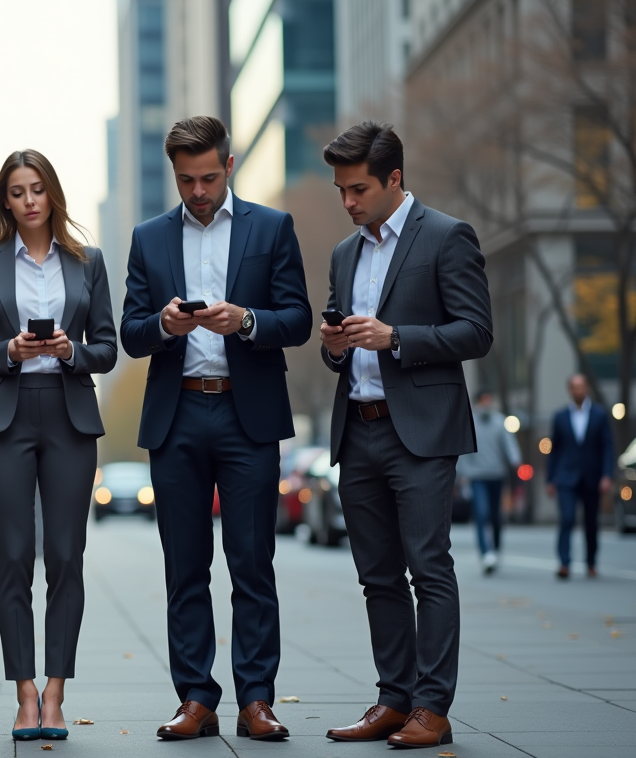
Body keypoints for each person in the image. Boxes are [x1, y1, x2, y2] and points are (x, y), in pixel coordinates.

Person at [121, 116, 311, 743]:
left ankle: (257, 699)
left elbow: (299, 319)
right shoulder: (148, 239)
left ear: (228, 166)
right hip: (176, 417)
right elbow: (130, 331)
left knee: (253, 560)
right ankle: (196, 698)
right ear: (173, 174)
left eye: (207, 177)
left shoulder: (272, 227)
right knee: (185, 565)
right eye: (185, 180)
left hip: (245, 414)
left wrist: (248, 320)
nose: (197, 190)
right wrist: (164, 325)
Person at [318, 121, 493, 748]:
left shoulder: (447, 237)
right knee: (378, 574)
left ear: (395, 178)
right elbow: (339, 355)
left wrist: (398, 338)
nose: (348, 202)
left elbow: (476, 331)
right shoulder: (345, 252)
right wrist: (335, 348)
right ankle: (394, 699)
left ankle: (432, 707)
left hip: (420, 432)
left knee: (429, 567)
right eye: (341, 190)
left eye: (358, 188)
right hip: (357, 430)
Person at [0, 149, 116, 742]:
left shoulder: (87, 262)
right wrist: (10, 352)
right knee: (14, 556)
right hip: (6, 414)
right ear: (5, 200)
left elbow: (108, 347)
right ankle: (24, 695)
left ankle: (55, 693)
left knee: (66, 556)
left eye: (37, 189)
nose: (28, 201)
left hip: (70, 415)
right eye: (17, 191)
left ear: (52, 196)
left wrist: (71, 351)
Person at [546, 374, 615, 579]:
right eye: (574, 387)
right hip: (566, 477)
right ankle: (564, 563)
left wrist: (607, 475)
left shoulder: (600, 415)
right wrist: (550, 479)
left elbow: (607, 447)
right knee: (567, 519)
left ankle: (591, 562)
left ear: (586, 388)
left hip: (592, 477)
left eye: (581, 386)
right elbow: (554, 450)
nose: (578, 391)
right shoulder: (560, 416)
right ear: (570, 390)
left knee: (591, 522)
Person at [456, 390, 521, 574]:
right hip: (477, 477)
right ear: (477, 403)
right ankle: (486, 554)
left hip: (496, 475)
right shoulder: (469, 422)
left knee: (496, 516)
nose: (487, 404)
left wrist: (515, 460)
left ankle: (496, 550)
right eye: (483, 401)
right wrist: (461, 474)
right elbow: (462, 450)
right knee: (481, 513)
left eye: (489, 400)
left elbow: (510, 444)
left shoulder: (500, 421)